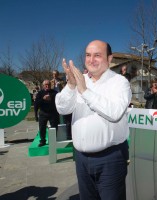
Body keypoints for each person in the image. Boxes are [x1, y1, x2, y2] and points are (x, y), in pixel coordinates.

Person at [55, 40, 132, 200]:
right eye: (88, 55)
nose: (91, 60)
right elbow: (62, 108)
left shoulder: (119, 82)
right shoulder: (78, 80)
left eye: (97, 55)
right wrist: (70, 86)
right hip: (81, 159)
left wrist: (84, 90)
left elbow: (115, 112)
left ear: (109, 59)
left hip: (111, 159)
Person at [35, 80, 59, 147]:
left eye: (48, 84)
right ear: (43, 86)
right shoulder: (40, 93)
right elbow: (36, 104)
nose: (47, 86)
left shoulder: (55, 92)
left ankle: (54, 141)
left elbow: (58, 103)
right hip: (43, 113)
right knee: (42, 128)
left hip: (53, 113)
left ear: (50, 85)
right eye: (45, 85)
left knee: (54, 128)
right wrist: (43, 99)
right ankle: (43, 141)